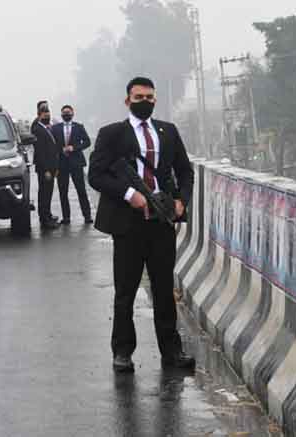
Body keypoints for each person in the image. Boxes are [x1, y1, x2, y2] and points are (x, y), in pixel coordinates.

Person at [88, 77, 195, 373]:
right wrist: (128, 194)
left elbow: (185, 171)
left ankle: (171, 352)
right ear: (127, 101)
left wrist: (181, 201)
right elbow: (95, 175)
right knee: (126, 291)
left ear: (155, 100)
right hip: (127, 224)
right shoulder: (112, 134)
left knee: (164, 289)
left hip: (161, 222)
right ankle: (122, 352)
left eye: (149, 97)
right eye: (138, 97)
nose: (144, 102)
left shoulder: (168, 131)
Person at [51, 105, 93, 225]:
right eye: (64, 113)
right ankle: (66, 217)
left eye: (68, 112)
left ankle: (87, 216)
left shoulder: (79, 127)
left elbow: (87, 142)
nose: (66, 114)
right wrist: (61, 150)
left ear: (72, 113)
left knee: (81, 190)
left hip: (76, 163)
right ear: (61, 114)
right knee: (63, 192)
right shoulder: (55, 128)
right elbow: (52, 145)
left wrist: (74, 148)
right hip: (61, 164)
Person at [33, 105, 60, 230]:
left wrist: (55, 168)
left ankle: (48, 215)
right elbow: (40, 153)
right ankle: (44, 220)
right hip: (45, 169)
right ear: (39, 116)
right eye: (45, 115)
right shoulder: (38, 130)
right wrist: (46, 170)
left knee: (48, 193)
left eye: (48, 115)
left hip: (51, 167)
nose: (47, 117)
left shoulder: (47, 128)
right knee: (44, 194)